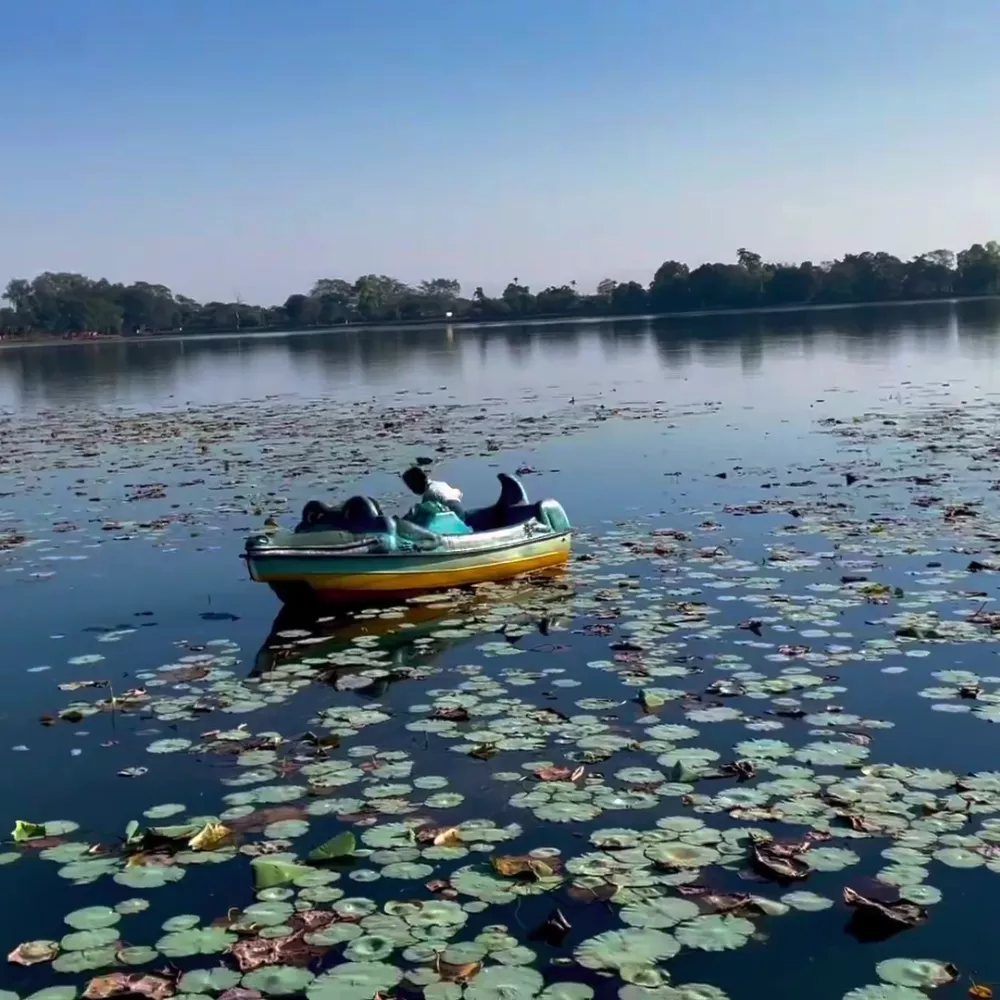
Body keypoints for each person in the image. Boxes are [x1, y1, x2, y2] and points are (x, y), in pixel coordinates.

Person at [401, 465, 470, 533]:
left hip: (451, 517)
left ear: (417, 482)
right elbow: (458, 493)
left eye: (411, 486)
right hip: (460, 513)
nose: (412, 490)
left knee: (420, 512)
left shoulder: (430, 493)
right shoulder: (441, 484)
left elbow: (423, 515)